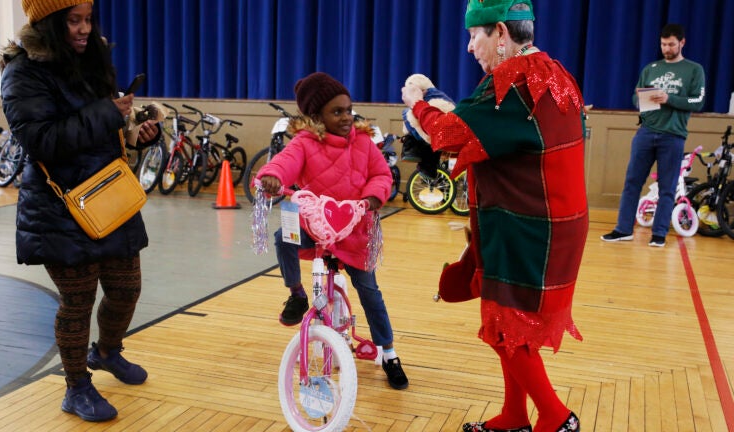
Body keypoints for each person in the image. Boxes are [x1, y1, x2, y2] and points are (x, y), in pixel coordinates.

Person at [401, 1, 587, 431]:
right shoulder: (554, 72)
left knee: (505, 323)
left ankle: (557, 419)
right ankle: (516, 416)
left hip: (524, 225)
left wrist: (418, 100)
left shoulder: (511, 83)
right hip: (551, 221)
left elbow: (446, 135)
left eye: (474, 35)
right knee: (513, 324)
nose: (469, 48)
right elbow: (489, 132)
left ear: (501, 32)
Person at [0, 0, 160, 422]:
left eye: (88, 19)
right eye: (74, 21)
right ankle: (76, 387)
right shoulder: (23, 72)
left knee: (127, 289)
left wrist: (135, 133)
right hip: (58, 207)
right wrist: (107, 113)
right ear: (49, 24)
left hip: (111, 195)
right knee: (78, 301)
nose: (84, 29)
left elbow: (106, 131)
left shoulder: (93, 58)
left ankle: (106, 352)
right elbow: (41, 141)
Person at [257, 72, 409, 390]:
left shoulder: (364, 142)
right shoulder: (305, 143)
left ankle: (390, 353)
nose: (346, 118)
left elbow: (381, 175)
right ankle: (297, 294)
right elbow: (284, 163)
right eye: (336, 112)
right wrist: (271, 175)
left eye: (348, 110)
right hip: (318, 226)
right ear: (316, 117)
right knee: (283, 234)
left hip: (355, 228)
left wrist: (370, 199)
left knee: (369, 291)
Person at [601, 23, 705, 247]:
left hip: (673, 135)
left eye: (671, 44)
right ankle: (623, 229)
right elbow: (635, 99)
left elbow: (698, 101)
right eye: (663, 44)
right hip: (646, 132)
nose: (666, 48)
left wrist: (670, 99)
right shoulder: (651, 68)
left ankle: (658, 234)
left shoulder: (694, 70)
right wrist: (644, 98)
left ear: (682, 43)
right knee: (632, 182)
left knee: (667, 187)